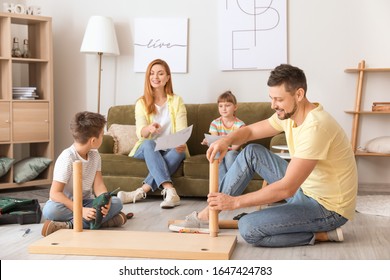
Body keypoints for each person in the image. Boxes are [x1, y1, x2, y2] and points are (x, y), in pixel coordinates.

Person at [170, 64, 358, 247]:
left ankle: (321, 234)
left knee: (249, 227)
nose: (273, 105)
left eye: (278, 99)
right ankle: (209, 213)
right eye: (271, 98)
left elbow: (286, 189)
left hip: (328, 209)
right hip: (307, 190)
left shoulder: (315, 127)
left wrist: (235, 202)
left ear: (299, 94)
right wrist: (226, 140)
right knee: (252, 152)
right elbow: (250, 132)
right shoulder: (289, 115)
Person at [117, 59, 188, 209]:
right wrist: (148, 129)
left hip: (169, 148)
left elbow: (182, 131)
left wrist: (181, 142)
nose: (155, 77)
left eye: (160, 73)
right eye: (152, 74)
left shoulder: (177, 101)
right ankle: (169, 189)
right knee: (149, 143)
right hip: (147, 149)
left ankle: (140, 192)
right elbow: (140, 133)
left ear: (167, 77)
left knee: (179, 153)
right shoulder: (141, 103)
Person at [41, 111, 126, 237]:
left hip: (86, 201)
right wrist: (80, 211)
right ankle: (106, 221)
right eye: (102, 135)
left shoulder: (95, 155)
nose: (103, 137)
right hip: (65, 204)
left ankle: (68, 225)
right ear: (93, 140)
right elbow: (54, 193)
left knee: (116, 203)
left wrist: (105, 201)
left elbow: (99, 186)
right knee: (50, 210)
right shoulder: (67, 158)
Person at [201, 91, 245, 182]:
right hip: (219, 150)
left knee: (230, 155)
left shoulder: (240, 125)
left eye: (227, 105)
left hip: (233, 152)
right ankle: (223, 188)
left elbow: (234, 148)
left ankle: (230, 187)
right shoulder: (215, 123)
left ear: (235, 107)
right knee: (216, 154)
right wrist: (209, 141)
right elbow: (215, 142)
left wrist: (240, 141)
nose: (224, 109)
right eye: (221, 106)